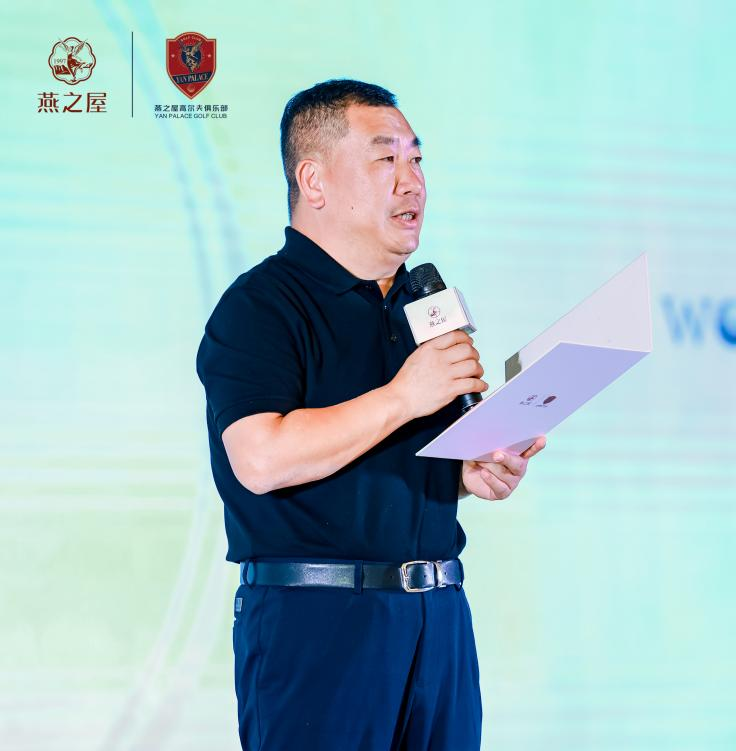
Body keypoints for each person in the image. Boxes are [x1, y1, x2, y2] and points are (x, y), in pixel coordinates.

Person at [195, 78, 546, 751]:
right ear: (314, 181)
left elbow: (391, 462)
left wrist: (468, 470)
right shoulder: (261, 306)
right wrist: (404, 396)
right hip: (318, 624)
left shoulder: (421, 305)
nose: (412, 182)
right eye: (386, 159)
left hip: (438, 621)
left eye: (417, 159)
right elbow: (260, 458)